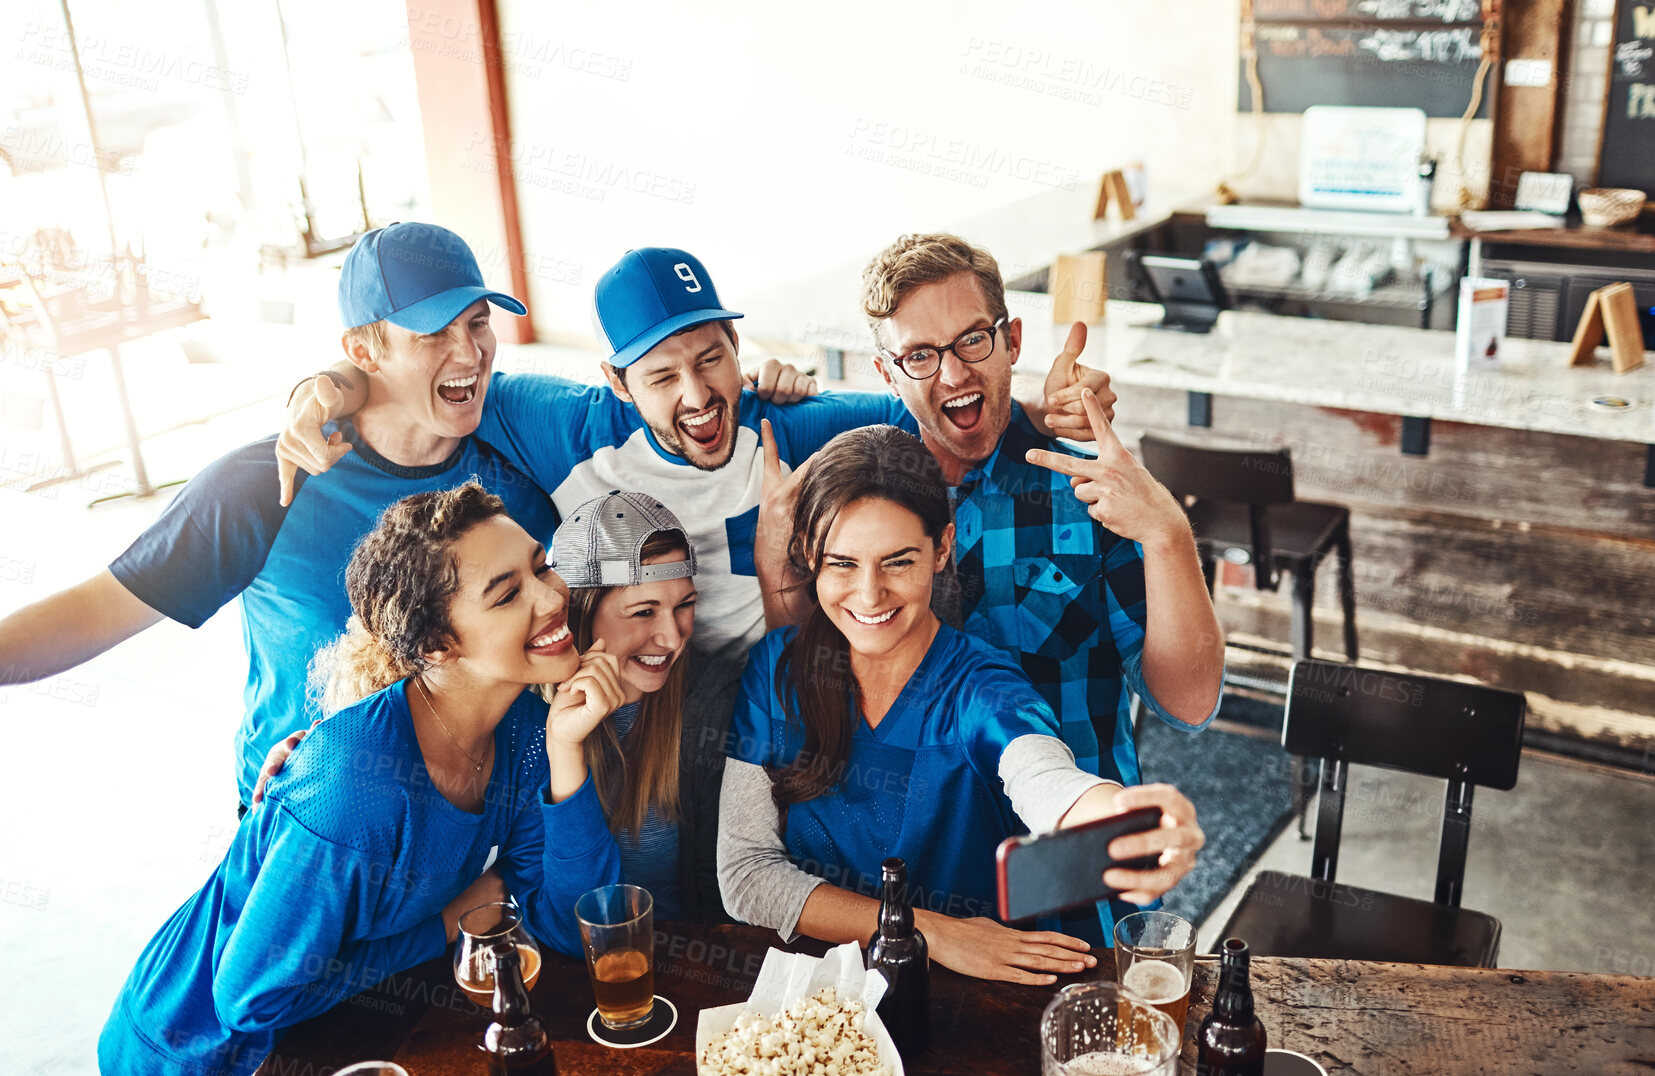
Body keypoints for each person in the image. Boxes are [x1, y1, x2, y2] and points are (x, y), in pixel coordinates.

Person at [97, 482, 624, 1076]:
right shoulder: (352, 787)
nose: (554, 598)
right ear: (435, 645)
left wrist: (565, 750)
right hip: (190, 1068)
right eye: (507, 592)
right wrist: (443, 924)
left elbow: (563, 920)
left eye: (541, 566)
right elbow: (248, 997)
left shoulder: (522, 731)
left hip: (324, 1046)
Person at [273, 245, 1114, 666]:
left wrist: (1043, 405)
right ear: (615, 380)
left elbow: (928, 413)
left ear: (738, 346)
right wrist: (337, 379)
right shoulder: (564, 424)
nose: (697, 395)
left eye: (712, 357)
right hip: (653, 685)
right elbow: (439, 375)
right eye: (662, 374)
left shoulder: (787, 420)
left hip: (778, 681)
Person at [0, 223, 561, 805]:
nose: (470, 352)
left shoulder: (521, 471)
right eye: (431, 332)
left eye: (477, 322)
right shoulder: (266, 484)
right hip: (308, 813)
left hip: (482, 815)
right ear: (362, 351)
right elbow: (96, 610)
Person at [718, 426, 1204, 985]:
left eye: (898, 562)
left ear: (942, 548)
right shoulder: (775, 669)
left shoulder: (981, 685)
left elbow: (1045, 777)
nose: (869, 594)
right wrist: (927, 930)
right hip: (820, 1000)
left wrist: (1124, 817)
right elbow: (745, 876)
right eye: (842, 564)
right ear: (808, 555)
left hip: (966, 999)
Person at [859, 232, 1227, 789]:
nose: (953, 374)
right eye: (920, 355)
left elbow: (1189, 704)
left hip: (1075, 839)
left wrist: (1168, 534)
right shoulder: (862, 497)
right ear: (888, 373)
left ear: (1012, 341)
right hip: (921, 849)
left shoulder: (1090, 493)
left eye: (973, 340)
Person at [547, 489, 727, 921]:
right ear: (580, 615)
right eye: (644, 612)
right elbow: (565, 915)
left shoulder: (711, 700)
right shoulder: (524, 714)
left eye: (684, 605)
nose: (672, 637)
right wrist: (564, 748)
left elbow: (716, 895)